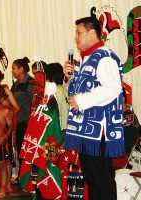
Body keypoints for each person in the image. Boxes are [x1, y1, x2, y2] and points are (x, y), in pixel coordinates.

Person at [63, 17, 123, 200]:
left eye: (78, 32)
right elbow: (76, 93)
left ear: (91, 33)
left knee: (101, 179)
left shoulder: (105, 56)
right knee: (91, 178)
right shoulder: (84, 60)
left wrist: (82, 100)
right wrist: (69, 78)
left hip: (99, 132)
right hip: (85, 132)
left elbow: (113, 87)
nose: (76, 37)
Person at [19, 81, 65, 199]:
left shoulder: (46, 112)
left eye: (44, 96)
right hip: (39, 152)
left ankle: (41, 194)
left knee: (40, 173)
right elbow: (51, 135)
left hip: (39, 151)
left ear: (49, 96)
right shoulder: (45, 111)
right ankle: (40, 193)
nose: (42, 99)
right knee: (39, 173)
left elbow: (52, 134)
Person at [11, 57, 34, 161]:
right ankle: (20, 176)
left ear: (21, 69)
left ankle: (26, 176)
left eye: (14, 68)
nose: (12, 71)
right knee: (18, 151)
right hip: (16, 123)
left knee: (25, 152)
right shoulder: (15, 85)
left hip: (26, 124)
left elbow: (35, 102)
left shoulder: (30, 83)